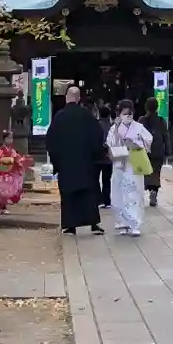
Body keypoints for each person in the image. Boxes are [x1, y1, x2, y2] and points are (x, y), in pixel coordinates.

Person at [46, 86, 107, 235]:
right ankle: (93, 224)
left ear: (66, 97)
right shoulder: (86, 115)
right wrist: (97, 155)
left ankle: (70, 225)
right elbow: (98, 135)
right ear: (79, 98)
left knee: (69, 196)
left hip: (66, 164)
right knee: (88, 194)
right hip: (86, 163)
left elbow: (51, 141)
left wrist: (56, 161)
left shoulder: (59, 117)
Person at [106, 99, 154, 237]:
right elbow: (110, 142)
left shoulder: (138, 127)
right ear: (119, 113)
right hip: (120, 163)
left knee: (134, 193)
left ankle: (135, 223)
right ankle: (122, 222)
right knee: (119, 193)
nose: (127, 116)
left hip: (133, 164)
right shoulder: (114, 127)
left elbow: (149, 139)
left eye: (130, 113)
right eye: (124, 113)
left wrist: (135, 143)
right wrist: (116, 128)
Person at [144, 100, 169, 206]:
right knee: (156, 173)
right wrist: (168, 151)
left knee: (146, 172)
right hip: (158, 150)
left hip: (145, 151)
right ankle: (154, 191)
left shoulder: (142, 120)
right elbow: (166, 136)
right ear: (157, 107)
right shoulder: (161, 120)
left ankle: (150, 189)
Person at [94, 100, 114, 208]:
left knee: (95, 179)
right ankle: (107, 201)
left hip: (97, 156)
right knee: (107, 180)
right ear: (109, 115)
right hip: (108, 157)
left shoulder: (95, 125)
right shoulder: (112, 127)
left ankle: (99, 200)